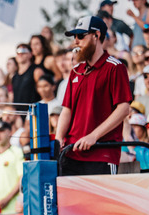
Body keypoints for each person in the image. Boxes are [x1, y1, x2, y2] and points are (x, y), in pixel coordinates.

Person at [56, 15, 133, 176]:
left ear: (96, 35)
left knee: (101, 202)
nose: (76, 41)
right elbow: (66, 110)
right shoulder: (76, 70)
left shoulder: (115, 67)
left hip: (101, 153)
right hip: (71, 153)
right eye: (75, 36)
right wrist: (58, 139)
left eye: (81, 36)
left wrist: (93, 136)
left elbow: (124, 108)